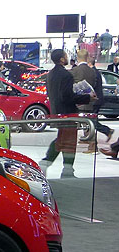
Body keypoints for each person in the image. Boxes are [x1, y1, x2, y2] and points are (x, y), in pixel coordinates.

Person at [39, 49, 96, 178]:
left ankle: (52, 164)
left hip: (56, 112)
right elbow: (67, 97)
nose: (67, 58)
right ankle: (64, 169)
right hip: (67, 113)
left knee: (62, 140)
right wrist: (87, 98)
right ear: (61, 59)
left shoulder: (50, 74)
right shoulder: (66, 75)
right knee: (69, 142)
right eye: (65, 56)